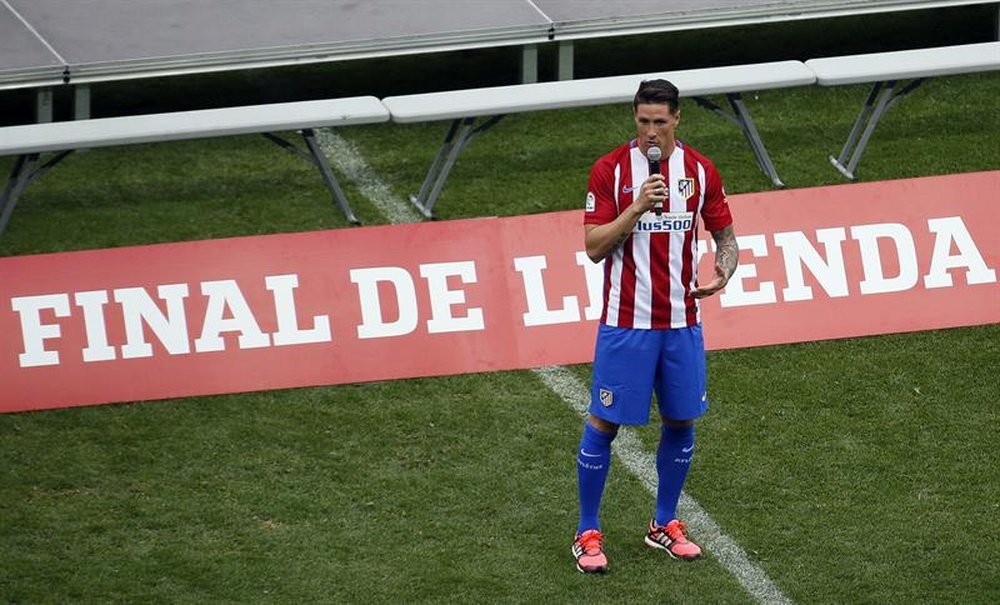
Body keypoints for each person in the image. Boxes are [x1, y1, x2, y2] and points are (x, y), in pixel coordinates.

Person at [572, 79, 739, 574]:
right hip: (627, 325)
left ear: (676, 120)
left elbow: (725, 236)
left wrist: (723, 271)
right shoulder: (610, 170)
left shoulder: (701, 170)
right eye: (642, 121)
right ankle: (586, 532)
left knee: (682, 421)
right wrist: (637, 207)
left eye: (659, 123)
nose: (650, 132)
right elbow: (595, 246)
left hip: (683, 323)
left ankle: (663, 523)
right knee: (604, 423)